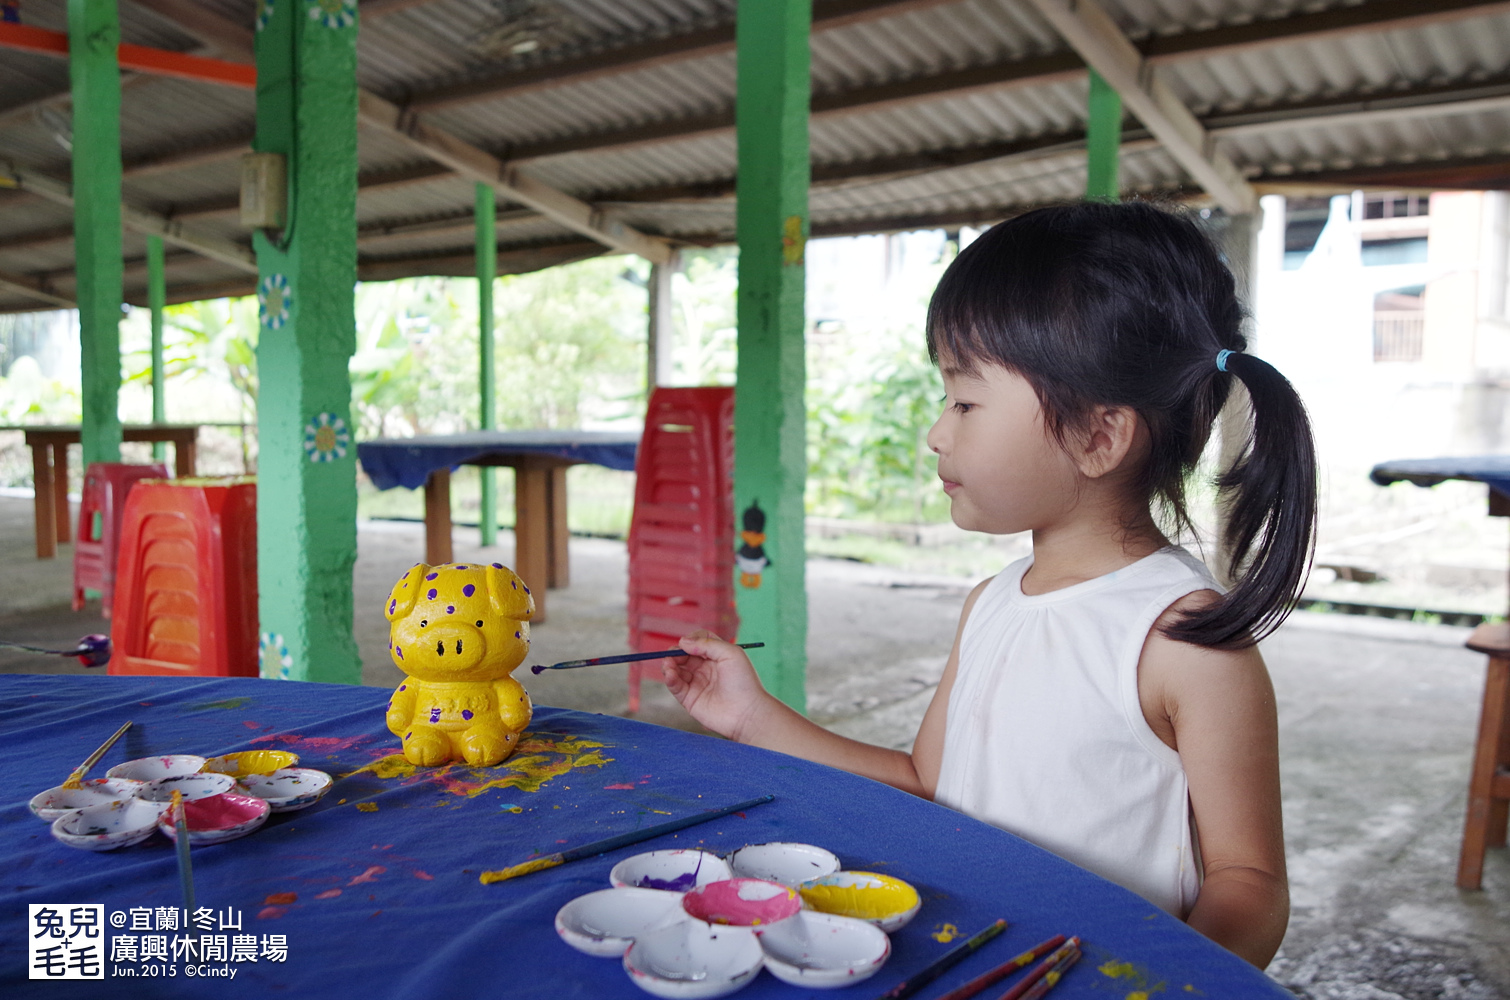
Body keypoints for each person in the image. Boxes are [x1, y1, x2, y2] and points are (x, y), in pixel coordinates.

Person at [661, 201, 1314, 969]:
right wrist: (753, 718)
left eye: (966, 401)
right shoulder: (993, 603)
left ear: (1099, 436)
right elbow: (927, 786)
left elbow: (1250, 883)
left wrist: (1154, 983)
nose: (938, 431)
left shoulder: (1182, 640)